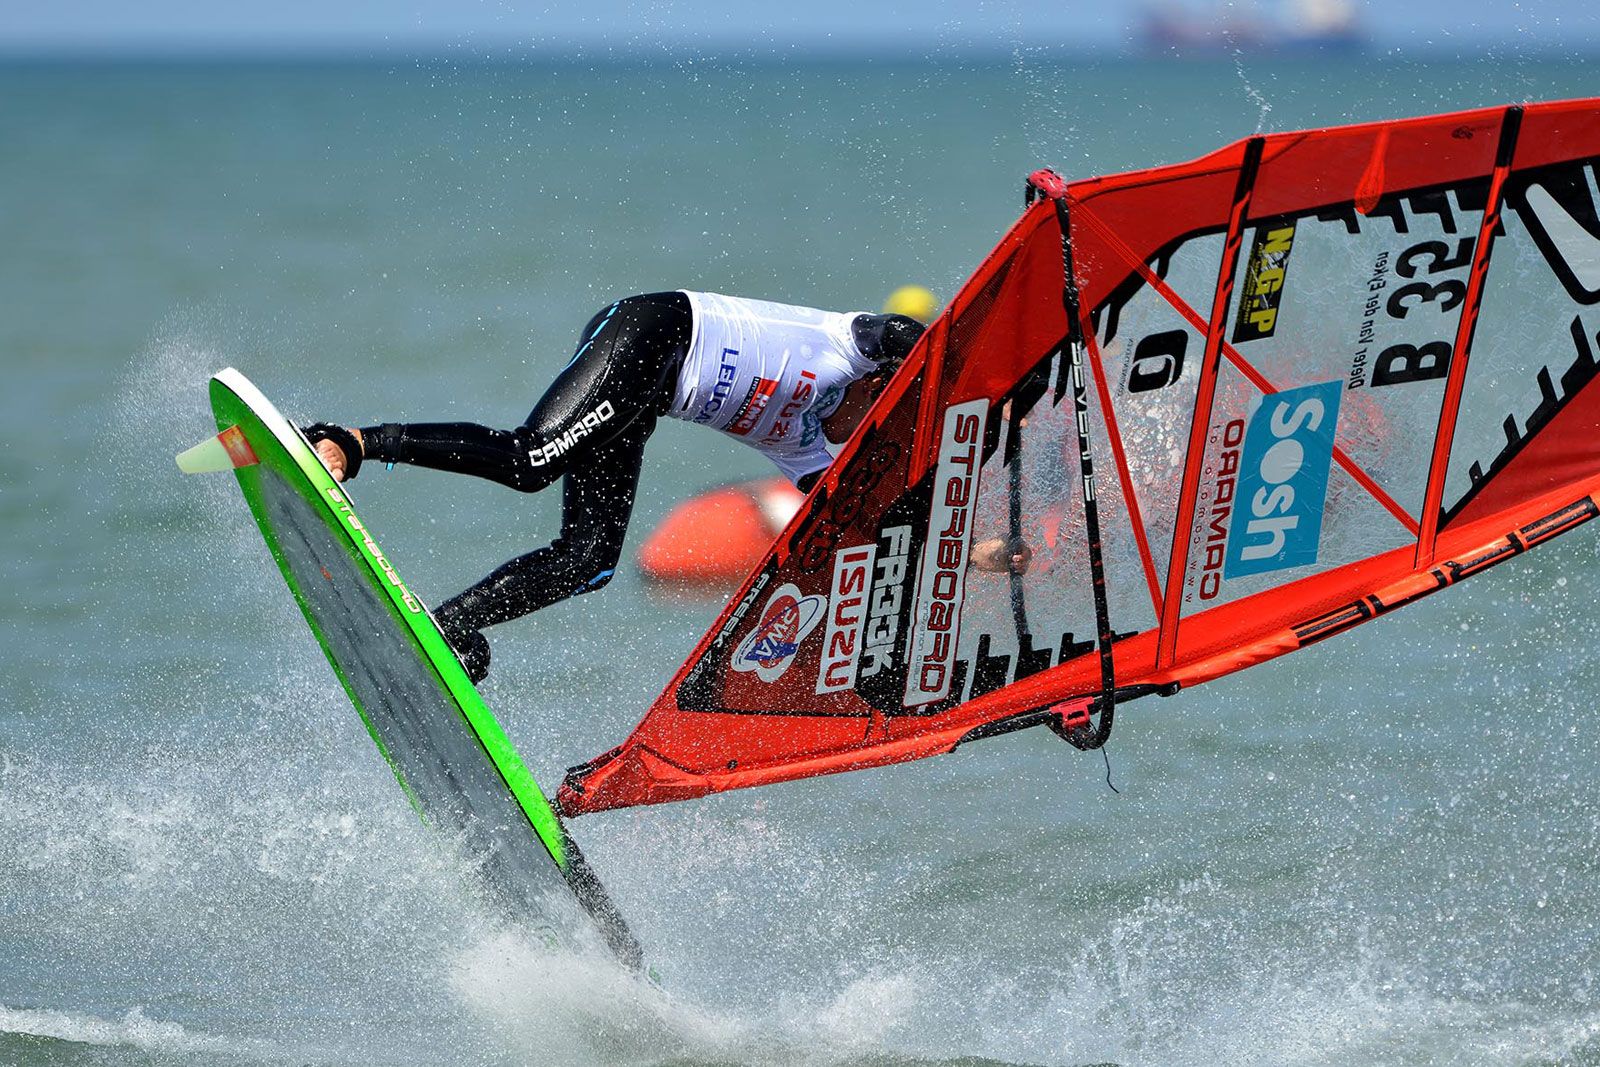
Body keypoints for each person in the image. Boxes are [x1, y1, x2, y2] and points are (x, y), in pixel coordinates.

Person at [305, 290, 926, 683]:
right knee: (530, 461)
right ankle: (351, 442)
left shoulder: (801, 446)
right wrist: (973, 381)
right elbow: (906, 332)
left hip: (646, 399)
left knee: (589, 561)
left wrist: (967, 549)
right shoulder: (847, 346)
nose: (861, 436)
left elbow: (862, 513)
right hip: (655, 331)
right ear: (880, 383)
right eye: (877, 418)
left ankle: (442, 630)